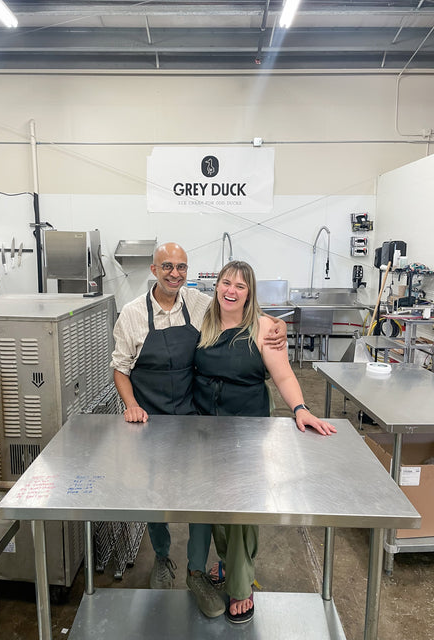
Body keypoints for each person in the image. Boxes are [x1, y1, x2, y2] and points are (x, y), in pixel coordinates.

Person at [111, 242, 288, 618]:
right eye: (167, 267)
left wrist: (277, 324)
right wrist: (131, 405)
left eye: (181, 267)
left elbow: (239, 308)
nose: (175, 273)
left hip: (194, 416)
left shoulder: (196, 303)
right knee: (153, 493)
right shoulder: (130, 314)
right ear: (154, 270)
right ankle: (161, 557)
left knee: (201, 497)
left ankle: (196, 570)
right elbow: (120, 368)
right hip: (150, 418)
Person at [193, 260, 337, 624]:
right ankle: (228, 567)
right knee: (216, 506)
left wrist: (301, 408)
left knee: (240, 509)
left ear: (249, 292)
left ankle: (241, 586)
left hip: (247, 428)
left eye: (240, 286)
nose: (231, 291)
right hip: (205, 427)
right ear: (217, 286)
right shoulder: (203, 319)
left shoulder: (265, 328)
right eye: (226, 283)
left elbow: (284, 376)